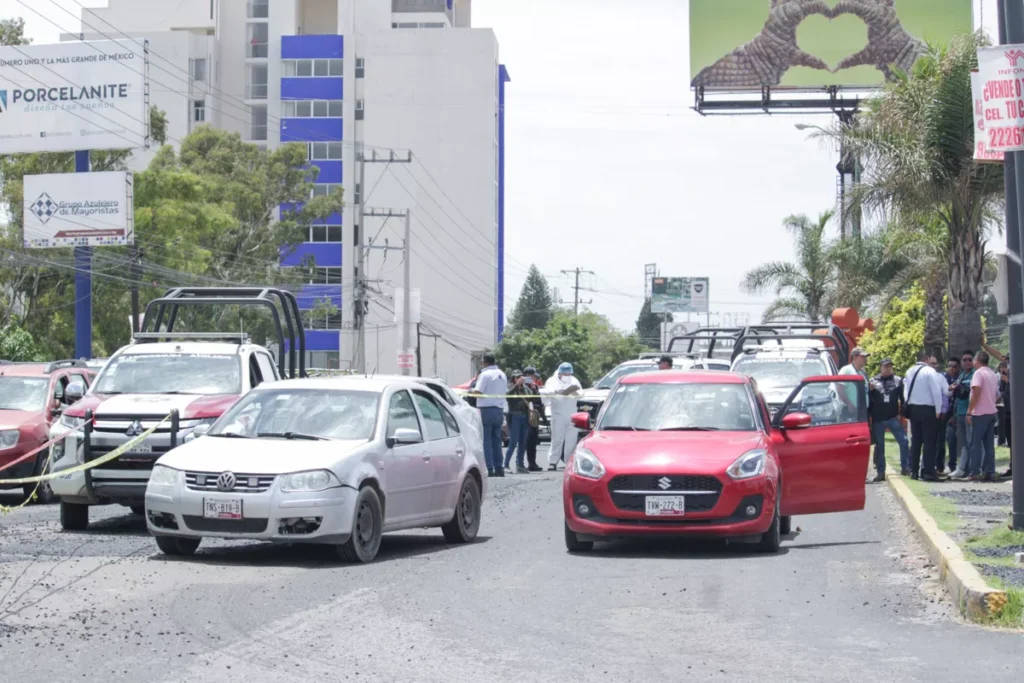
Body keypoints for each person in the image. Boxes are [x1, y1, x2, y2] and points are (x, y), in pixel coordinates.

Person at [955, 350, 1000, 482]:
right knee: (988, 444)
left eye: (974, 359)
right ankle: (989, 471)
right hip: (991, 412)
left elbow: (975, 393)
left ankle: (975, 472)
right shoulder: (992, 373)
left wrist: (969, 411)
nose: (972, 362)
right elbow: (997, 395)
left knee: (974, 444)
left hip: (979, 413)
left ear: (978, 360)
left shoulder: (978, 373)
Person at [903, 350, 944, 481]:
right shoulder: (929, 371)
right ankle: (928, 472)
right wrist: (938, 409)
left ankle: (913, 470)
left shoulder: (910, 371)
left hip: (913, 408)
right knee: (929, 442)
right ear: (927, 359)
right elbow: (936, 392)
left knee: (916, 441)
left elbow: (905, 391)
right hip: (928, 409)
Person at [868, 359, 909, 482]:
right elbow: (868, 401)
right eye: (885, 367)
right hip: (878, 419)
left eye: (890, 367)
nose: (887, 369)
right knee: (880, 446)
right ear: (880, 367)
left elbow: (903, 399)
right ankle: (881, 472)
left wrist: (900, 414)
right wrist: (869, 391)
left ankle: (905, 467)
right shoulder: (873, 381)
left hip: (893, 418)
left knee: (904, 441)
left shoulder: (898, 381)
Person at [470, 353, 508, 478]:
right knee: (496, 440)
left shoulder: (485, 374)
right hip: (499, 410)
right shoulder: (502, 374)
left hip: (486, 410)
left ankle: (489, 468)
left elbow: (478, 392)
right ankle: (499, 467)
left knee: (486, 440)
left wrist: (470, 391)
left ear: (484, 362)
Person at [541, 362, 582, 471]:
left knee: (571, 440)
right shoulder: (551, 381)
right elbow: (545, 392)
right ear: (560, 373)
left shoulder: (574, 380)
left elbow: (581, 393)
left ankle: (569, 462)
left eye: (569, 374)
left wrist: (575, 393)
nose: (567, 376)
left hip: (572, 414)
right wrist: (557, 391)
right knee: (557, 439)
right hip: (558, 415)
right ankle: (553, 462)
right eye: (565, 374)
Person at [502, 370, 532, 474]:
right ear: (513, 378)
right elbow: (507, 396)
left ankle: (520, 465)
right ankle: (505, 464)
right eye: (516, 377)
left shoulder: (524, 388)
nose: (519, 378)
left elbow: (531, 396)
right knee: (513, 442)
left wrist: (526, 386)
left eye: (520, 377)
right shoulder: (511, 387)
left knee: (523, 442)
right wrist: (516, 385)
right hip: (514, 416)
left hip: (525, 416)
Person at [936, 358, 960, 474]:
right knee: (940, 440)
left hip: (953, 413)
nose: (952, 368)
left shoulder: (960, 378)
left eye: (954, 366)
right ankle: (939, 466)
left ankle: (952, 465)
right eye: (950, 366)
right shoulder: (941, 377)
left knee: (952, 440)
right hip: (941, 413)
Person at [522, 367, 546, 472]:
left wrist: (544, 417)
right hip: (525, 416)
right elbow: (528, 400)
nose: (533, 378)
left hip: (534, 417)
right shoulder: (521, 386)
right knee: (525, 441)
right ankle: (521, 463)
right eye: (531, 376)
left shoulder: (535, 387)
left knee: (533, 442)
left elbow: (539, 402)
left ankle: (532, 463)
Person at [997, 361, 1009, 448]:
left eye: (1005, 366)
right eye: (1002, 367)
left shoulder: (1009, 375)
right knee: (1001, 421)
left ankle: (1007, 440)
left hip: (1008, 402)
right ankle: (1001, 440)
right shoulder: (996, 376)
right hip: (1000, 402)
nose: (1003, 368)